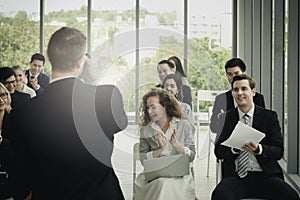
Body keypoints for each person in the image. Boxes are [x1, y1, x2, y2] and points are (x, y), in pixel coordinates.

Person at [8, 27, 128, 200]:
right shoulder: (107, 98)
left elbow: (19, 180)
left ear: (48, 58)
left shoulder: (23, 114)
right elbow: (121, 123)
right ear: (81, 62)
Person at [211, 74, 299, 200]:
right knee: (219, 196)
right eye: (236, 90)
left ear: (253, 92)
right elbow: (218, 151)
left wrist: (259, 149)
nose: (239, 93)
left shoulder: (270, 117)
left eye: (244, 89)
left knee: (291, 196)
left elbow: (278, 151)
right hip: (237, 177)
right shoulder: (225, 118)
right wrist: (234, 148)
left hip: (266, 176)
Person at [134, 87, 196, 200]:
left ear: (165, 106)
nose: (149, 111)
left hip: (179, 177)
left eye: (153, 107)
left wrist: (176, 144)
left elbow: (192, 156)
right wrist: (160, 149)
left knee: (165, 185)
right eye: (147, 108)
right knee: (161, 184)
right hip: (154, 177)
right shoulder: (146, 130)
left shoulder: (183, 125)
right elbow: (143, 160)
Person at [210, 58, 265, 134]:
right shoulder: (221, 99)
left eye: (236, 73)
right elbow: (213, 127)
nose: (233, 77)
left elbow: (262, 125)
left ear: (244, 73)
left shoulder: (258, 98)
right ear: (226, 76)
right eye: (230, 74)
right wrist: (222, 120)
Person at [0, 83, 13, 199]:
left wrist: (2, 142)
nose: (1, 100)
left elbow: (19, 148)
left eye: (3, 95)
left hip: (9, 179)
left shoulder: (15, 119)